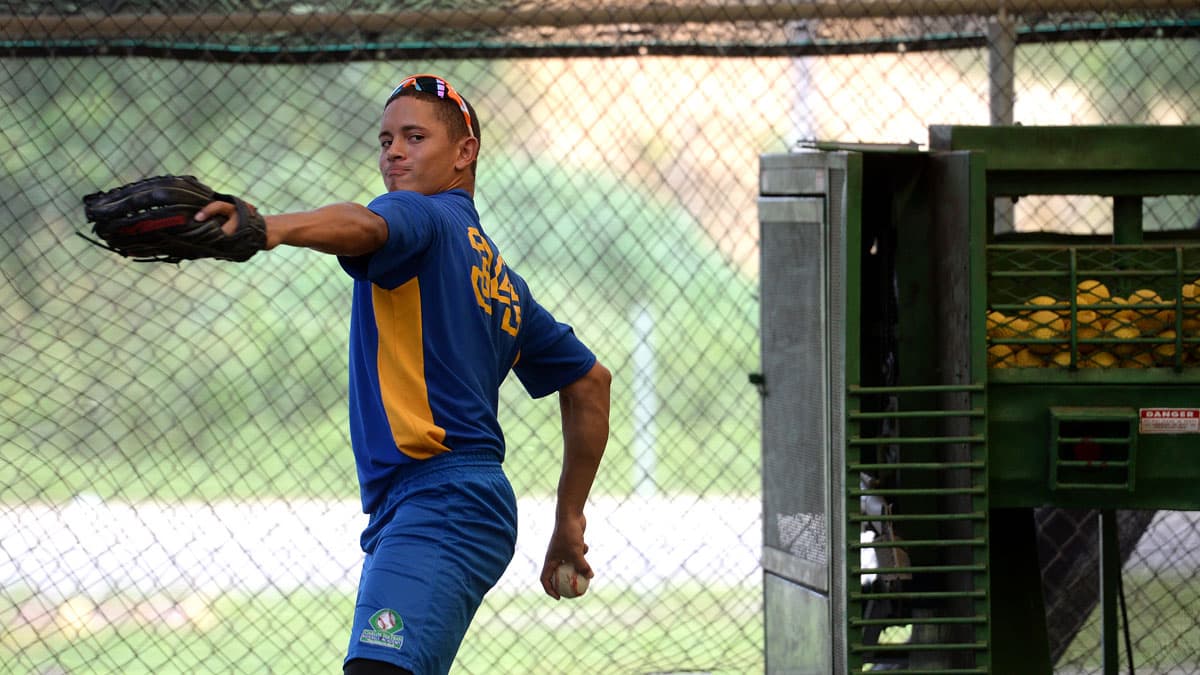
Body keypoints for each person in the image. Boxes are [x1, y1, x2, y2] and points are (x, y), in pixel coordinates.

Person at [197, 73, 611, 675]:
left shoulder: (421, 217)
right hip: (441, 501)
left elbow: (369, 226)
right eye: (386, 139)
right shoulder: (501, 281)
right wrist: (568, 518)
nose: (393, 151)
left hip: (443, 500)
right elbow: (589, 382)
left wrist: (270, 228)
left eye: (414, 136)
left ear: (465, 152)